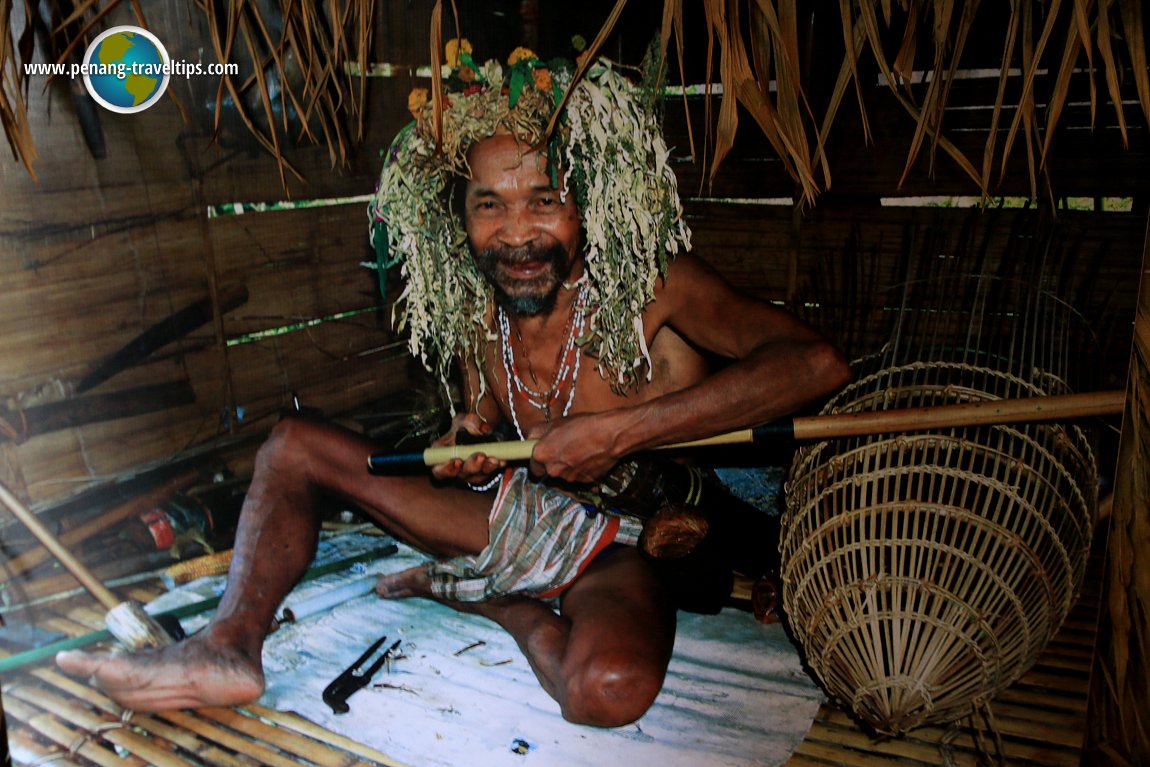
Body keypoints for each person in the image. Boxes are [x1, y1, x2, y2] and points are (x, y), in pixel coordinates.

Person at [56, 46, 850, 727]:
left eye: (545, 200)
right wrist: (465, 444)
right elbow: (480, 425)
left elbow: (813, 365)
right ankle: (229, 644)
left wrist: (621, 432)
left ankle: (494, 604)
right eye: (489, 205)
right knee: (292, 444)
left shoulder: (650, 286)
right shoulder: (479, 311)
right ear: (461, 216)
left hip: (622, 548)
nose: (517, 233)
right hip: (513, 523)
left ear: (587, 204)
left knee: (606, 689)